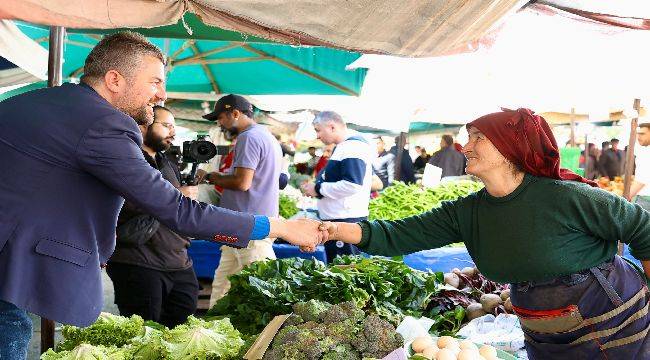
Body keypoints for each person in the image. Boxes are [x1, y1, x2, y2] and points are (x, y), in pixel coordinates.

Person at [0, 31, 323, 358]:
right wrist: (277, 227)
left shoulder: (42, 103)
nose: (162, 94)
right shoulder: (102, 123)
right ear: (114, 79)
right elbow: (177, 209)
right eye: (155, 82)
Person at [315, 109, 650, 359]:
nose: (466, 146)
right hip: (541, 331)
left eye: (477, 138)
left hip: (615, 322)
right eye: (467, 136)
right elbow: (397, 234)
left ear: (509, 148)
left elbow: (643, 228)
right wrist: (330, 230)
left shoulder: (565, 197)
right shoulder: (469, 211)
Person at [107, 106, 199, 328]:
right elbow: (120, 204)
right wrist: (176, 196)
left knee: (181, 325)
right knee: (144, 333)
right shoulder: (126, 158)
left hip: (177, 260)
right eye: (166, 126)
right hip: (138, 261)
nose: (172, 133)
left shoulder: (167, 161)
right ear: (143, 125)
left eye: (173, 127)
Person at [200, 95, 283, 306]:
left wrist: (209, 176)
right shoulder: (266, 136)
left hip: (250, 227)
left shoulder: (249, 137)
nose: (219, 124)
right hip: (240, 226)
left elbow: (242, 182)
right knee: (222, 286)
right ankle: (214, 329)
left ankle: (270, 336)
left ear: (235, 114)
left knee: (265, 291)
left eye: (221, 118)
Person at [301, 111, 374, 263]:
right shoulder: (345, 146)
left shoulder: (353, 146)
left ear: (332, 127)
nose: (318, 136)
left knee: (345, 271)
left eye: (318, 130)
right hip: (340, 219)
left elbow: (352, 184)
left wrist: (318, 189)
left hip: (344, 221)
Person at [631, 123, 650, 211]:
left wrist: (625, 197)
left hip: (645, 200)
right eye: (638, 133)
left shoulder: (646, 154)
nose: (639, 136)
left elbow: (642, 180)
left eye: (642, 134)